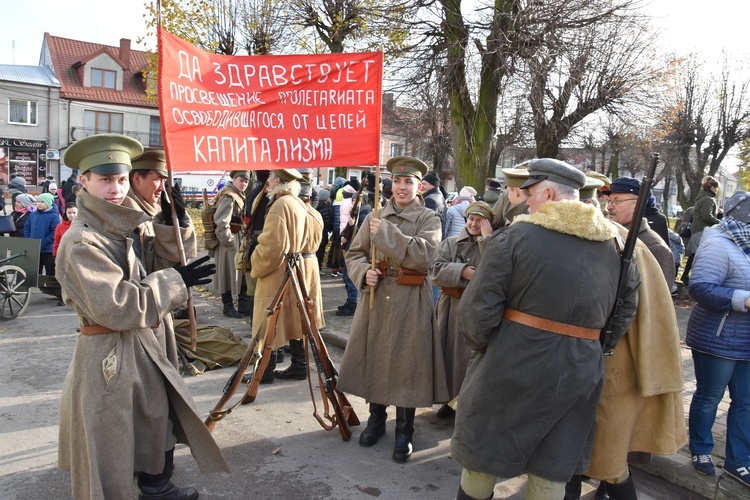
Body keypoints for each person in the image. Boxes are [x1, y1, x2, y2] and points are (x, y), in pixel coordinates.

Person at [451, 158, 639, 500]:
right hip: (581, 370)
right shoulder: (616, 246)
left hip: (510, 363)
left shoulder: (514, 238)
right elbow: (625, 309)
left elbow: (477, 311)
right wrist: (594, 347)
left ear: (549, 193)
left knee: (483, 459)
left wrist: (488, 348)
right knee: (553, 467)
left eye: (531, 194)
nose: (526, 202)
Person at [56, 133, 227, 499]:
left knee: (154, 420)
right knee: (114, 443)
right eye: (105, 179)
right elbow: (119, 306)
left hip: (144, 342)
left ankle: (156, 487)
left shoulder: (121, 226)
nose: (115, 188)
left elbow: (163, 264)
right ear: (83, 181)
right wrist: (174, 281)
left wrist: (173, 219)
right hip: (110, 352)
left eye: (120, 179)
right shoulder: (82, 242)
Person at [338, 156, 448, 464]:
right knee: (375, 356)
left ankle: (405, 430)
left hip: (411, 300)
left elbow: (423, 257)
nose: (402, 187)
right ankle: (376, 420)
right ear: (390, 185)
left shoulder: (429, 218)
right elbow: (355, 254)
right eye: (397, 181)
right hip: (377, 297)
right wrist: (364, 273)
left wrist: (384, 232)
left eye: (408, 182)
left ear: (418, 187)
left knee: (407, 364)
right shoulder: (375, 214)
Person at [685, 191, 750, 485]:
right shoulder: (718, 243)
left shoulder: (746, 244)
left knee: (746, 402)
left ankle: (738, 462)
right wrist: (743, 300)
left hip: (746, 342)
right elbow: (698, 288)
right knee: (710, 397)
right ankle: (700, 449)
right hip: (718, 338)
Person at [429, 201, 493, 419]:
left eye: (480, 221)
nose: (474, 224)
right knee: (448, 354)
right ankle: (448, 400)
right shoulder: (450, 243)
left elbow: (496, 270)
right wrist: (462, 271)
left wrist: (487, 241)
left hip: (476, 310)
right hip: (450, 308)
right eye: (472, 219)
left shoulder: (492, 245)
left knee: (469, 359)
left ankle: (466, 405)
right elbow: (434, 271)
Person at [249, 168, 309, 384]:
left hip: (277, 269)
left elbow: (272, 246)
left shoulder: (279, 204)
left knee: (269, 320)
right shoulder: (297, 202)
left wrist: (254, 260)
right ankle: (299, 365)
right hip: (293, 266)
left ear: (276, 181)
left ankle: (264, 371)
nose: (268, 183)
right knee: (290, 319)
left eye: (270, 178)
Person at [604, 176, 675, 286]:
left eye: (617, 201)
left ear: (637, 205)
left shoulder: (654, 247)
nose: (609, 207)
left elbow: (657, 298)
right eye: (609, 200)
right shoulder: (607, 236)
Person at [212, 170, 249, 318]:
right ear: (234, 179)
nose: (244, 184)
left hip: (237, 237)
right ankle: (228, 306)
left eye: (246, 181)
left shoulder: (237, 195)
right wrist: (230, 242)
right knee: (227, 273)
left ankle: (242, 304)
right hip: (229, 240)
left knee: (239, 273)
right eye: (241, 180)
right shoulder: (229, 196)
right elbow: (221, 222)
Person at [681, 176, 721, 285]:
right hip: (702, 230)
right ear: (712, 187)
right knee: (697, 254)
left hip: (699, 229)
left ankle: (687, 275)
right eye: (716, 187)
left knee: (696, 254)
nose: (717, 190)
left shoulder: (703, 197)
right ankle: (687, 276)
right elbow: (707, 216)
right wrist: (721, 222)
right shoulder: (708, 199)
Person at [24, 192, 60, 276]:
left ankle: (50, 288)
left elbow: (55, 231)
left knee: (50, 271)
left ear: (48, 203)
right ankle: (35, 287)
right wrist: (29, 239)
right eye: (38, 201)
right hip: (34, 248)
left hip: (47, 249)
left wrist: (45, 241)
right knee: (35, 271)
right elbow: (27, 227)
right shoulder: (33, 215)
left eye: (42, 202)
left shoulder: (54, 216)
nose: (39, 204)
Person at [315, 188, 333, 269]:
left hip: (315, 231)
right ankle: (319, 268)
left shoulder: (316, 205)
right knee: (321, 251)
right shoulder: (325, 208)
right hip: (323, 232)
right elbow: (327, 221)